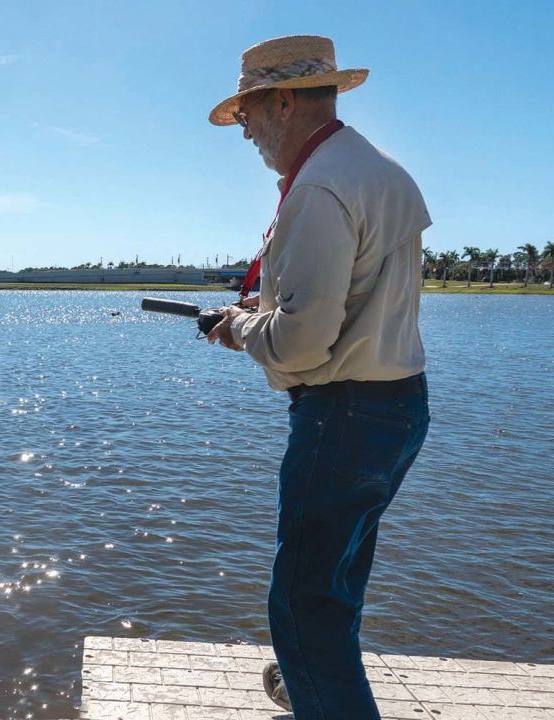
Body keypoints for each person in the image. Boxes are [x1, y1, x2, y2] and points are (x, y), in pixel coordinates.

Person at [204, 35, 432, 719]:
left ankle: (319, 686)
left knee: (301, 605)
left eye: (246, 115)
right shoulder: (375, 169)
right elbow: (354, 302)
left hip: (343, 417)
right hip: (396, 409)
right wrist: (265, 310)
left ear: (279, 102)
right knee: (333, 587)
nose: (244, 133)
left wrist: (243, 326)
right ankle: (310, 682)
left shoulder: (320, 185)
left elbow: (302, 346)